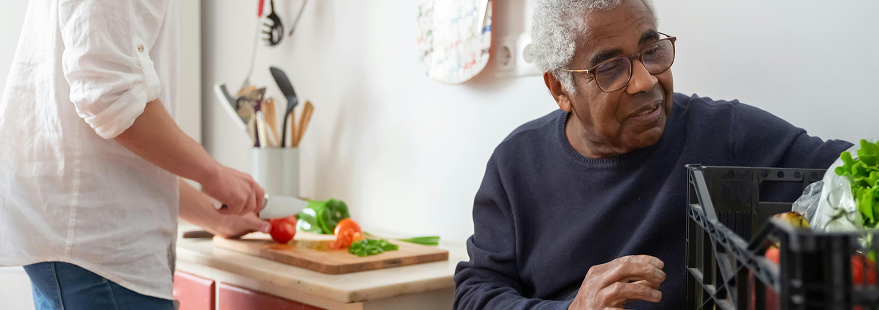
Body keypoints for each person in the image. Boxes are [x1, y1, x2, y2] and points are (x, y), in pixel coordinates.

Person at [453, 0, 852, 309]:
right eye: (610, 69)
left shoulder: (724, 132)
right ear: (560, 90)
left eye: (652, 51)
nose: (646, 81)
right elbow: (476, 293)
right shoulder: (515, 165)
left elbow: (849, 169)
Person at [0, 1, 268, 309]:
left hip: (84, 251)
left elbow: (102, 146)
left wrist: (213, 215)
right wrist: (214, 173)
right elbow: (108, 95)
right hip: (100, 256)